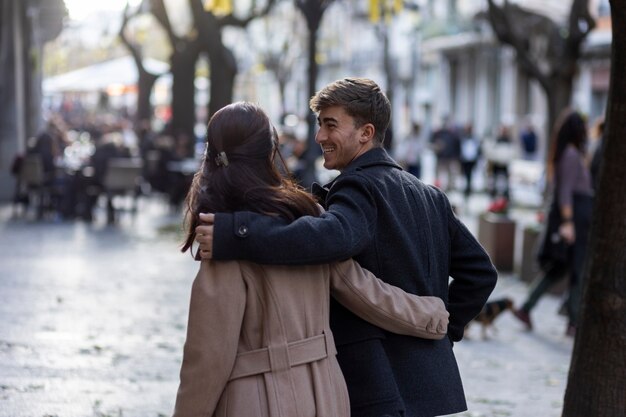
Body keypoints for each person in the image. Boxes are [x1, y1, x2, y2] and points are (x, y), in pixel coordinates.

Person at [195, 78, 498, 417]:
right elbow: (481, 273)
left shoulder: (357, 186)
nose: (319, 136)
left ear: (365, 133)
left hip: (379, 387)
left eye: (330, 125)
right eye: (319, 124)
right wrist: (443, 333)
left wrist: (234, 231)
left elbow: (331, 237)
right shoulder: (428, 195)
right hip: (435, 387)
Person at [513, 110, 594, 337]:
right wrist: (568, 222)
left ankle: (528, 307)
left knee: (561, 268)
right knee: (575, 268)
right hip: (574, 218)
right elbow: (566, 191)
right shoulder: (570, 155)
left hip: (576, 216)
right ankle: (573, 321)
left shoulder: (570, 153)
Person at [429, 115, 461, 191]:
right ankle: (438, 188)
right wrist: (436, 146)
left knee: (450, 175)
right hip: (440, 158)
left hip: (450, 158)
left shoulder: (453, 134)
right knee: (439, 175)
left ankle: (449, 188)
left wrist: (456, 158)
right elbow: (431, 144)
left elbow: (457, 146)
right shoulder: (437, 133)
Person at [458, 123, 481, 198]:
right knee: (464, 174)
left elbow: (478, 149)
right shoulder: (463, 137)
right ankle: (465, 188)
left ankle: (468, 188)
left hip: (471, 160)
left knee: (470, 174)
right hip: (464, 159)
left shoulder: (475, 138)